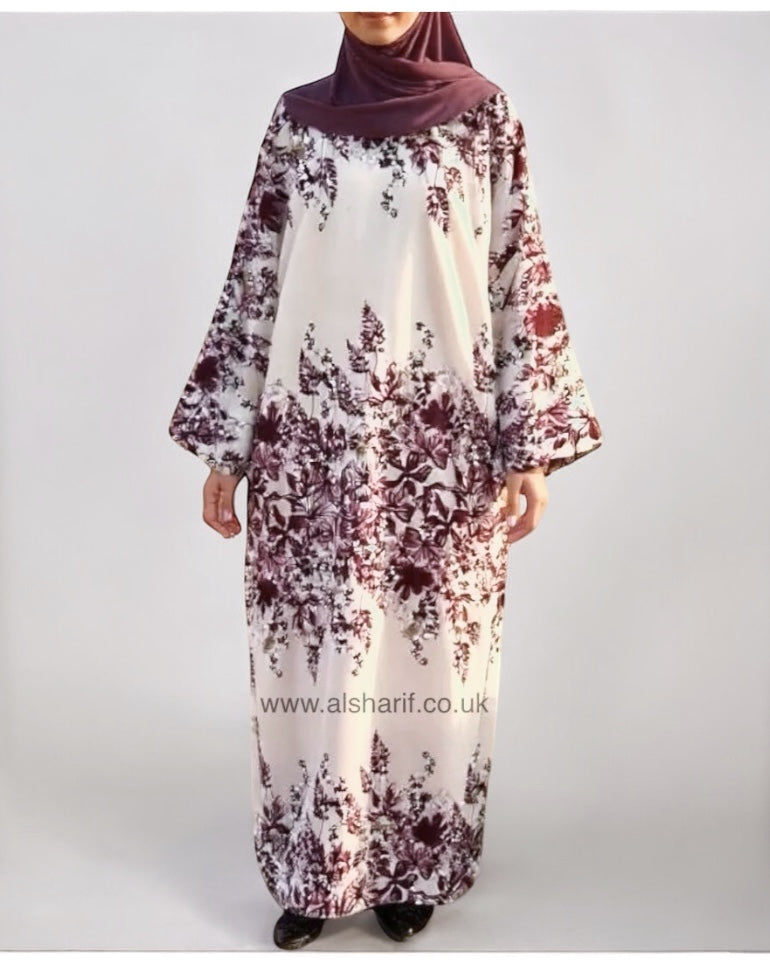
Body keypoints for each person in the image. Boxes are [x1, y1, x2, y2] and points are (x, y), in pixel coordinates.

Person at [168, 11, 603, 951]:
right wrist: (225, 446)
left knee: (429, 658)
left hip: (438, 450)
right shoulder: (298, 122)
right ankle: (315, 867)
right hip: (311, 450)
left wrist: (529, 445)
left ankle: (411, 864)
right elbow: (254, 283)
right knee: (313, 660)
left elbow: (517, 277)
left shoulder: (485, 117)